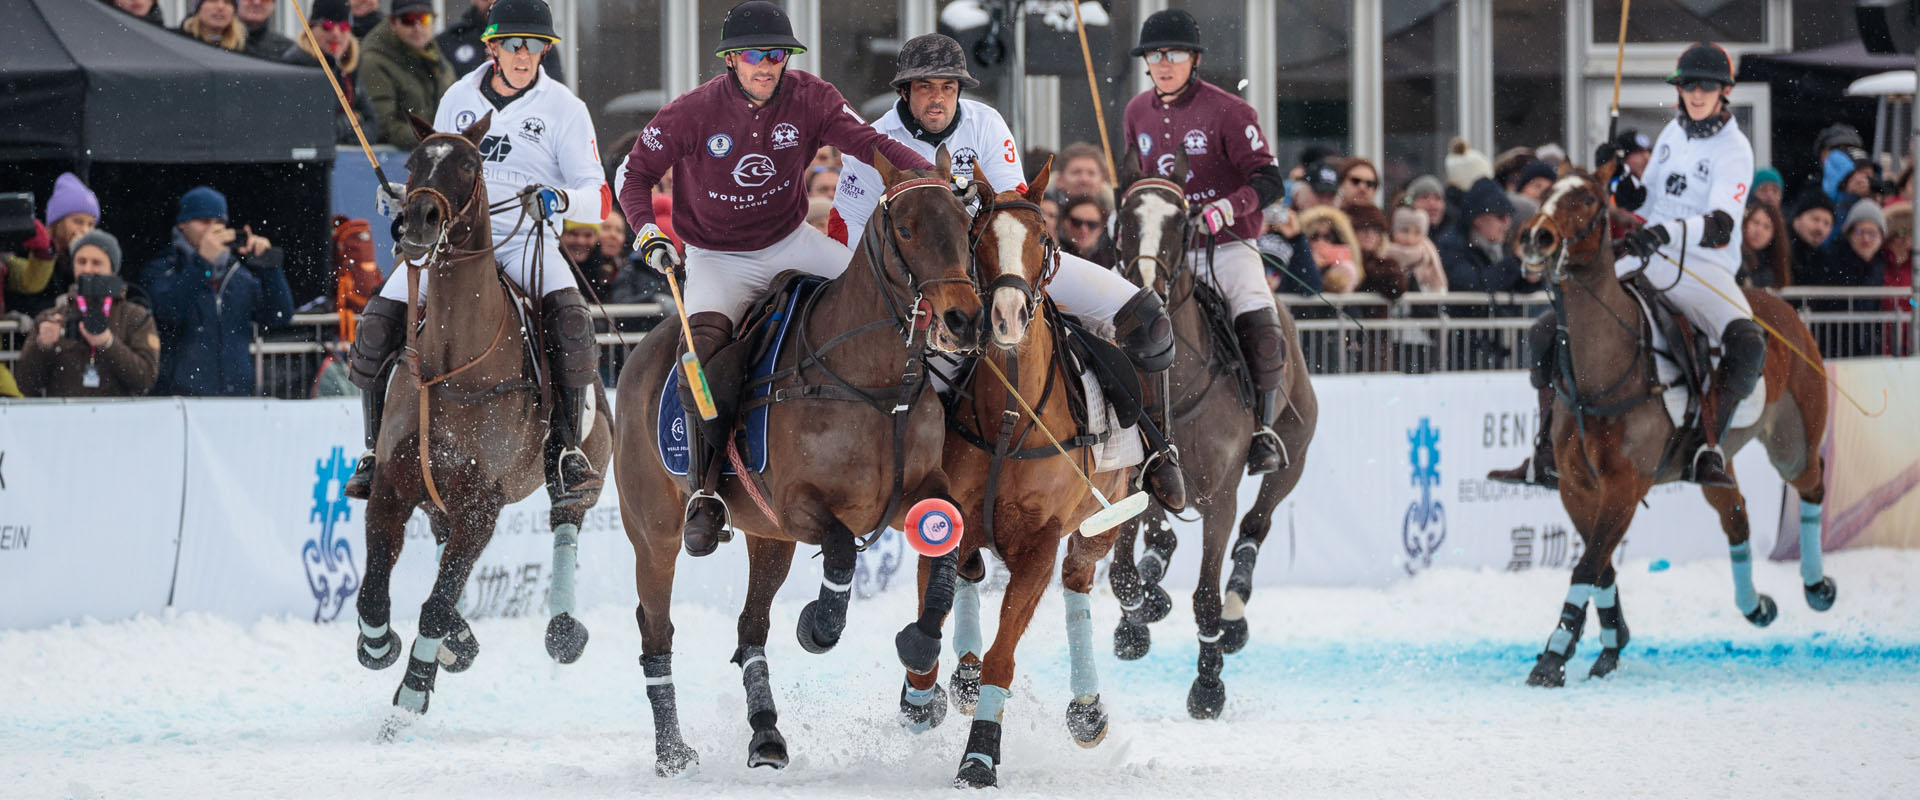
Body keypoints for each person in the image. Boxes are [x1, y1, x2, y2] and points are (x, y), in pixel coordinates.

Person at [616, 0, 936, 556]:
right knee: (707, 360)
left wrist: (927, 174)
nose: (768, 65)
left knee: (894, 306)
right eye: (756, 55)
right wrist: (649, 233)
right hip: (718, 257)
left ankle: (938, 443)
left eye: (778, 55)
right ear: (731, 59)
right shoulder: (691, 112)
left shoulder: (812, 96)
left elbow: (869, 144)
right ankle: (707, 491)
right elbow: (636, 175)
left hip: (793, 241)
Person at [349, 0, 610, 510]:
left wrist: (558, 200)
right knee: (377, 322)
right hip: (455, 244)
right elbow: (438, 171)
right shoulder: (458, 96)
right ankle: (372, 451)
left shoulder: (564, 108)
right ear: (492, 47)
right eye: (513, 44)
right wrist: (406, 194)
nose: (524, 54)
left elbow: (598, 198)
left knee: (572, 326)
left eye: (535, 45)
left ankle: (566, 453)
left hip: (525, 239)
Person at [1493, 42, 1759, 489]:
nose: (1696, 94)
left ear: (1724, 92)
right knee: (1544, 331)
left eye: (1707, 87)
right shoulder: (1673, 134)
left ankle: (1707, 447)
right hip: (1648, 254)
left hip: (1704, 265)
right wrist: (1616, 174)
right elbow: (1643, 199)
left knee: (1748, 342)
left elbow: (1720, 226)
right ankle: (1545, 452)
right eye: (1688, 86)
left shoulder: (1735, 150)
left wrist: (1664, 232)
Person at [1123, 9, 1291, 476]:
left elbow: (1270, 181)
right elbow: (1135, 184)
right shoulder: (1136, 112)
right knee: (1111, 323)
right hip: (1163, 250)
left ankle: (1262, 429)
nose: (1164, 62)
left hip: (1229, 244)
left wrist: (1226, 208)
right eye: (1155, 55)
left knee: (1259, 321)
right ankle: (1121, 428)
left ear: (1194, 59)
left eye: (1174, 53)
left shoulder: (1231, 111)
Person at [141, 186, 294, 396]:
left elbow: (279, 316)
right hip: (180, 400)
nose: (213, 230)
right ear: (183, 224)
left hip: (236, 398)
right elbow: (169, 312)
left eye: (219, 223)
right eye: (204, 222)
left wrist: (269, 265)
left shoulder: (238, 274)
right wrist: (202, 261)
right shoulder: (163, 267)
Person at [14, 231, 160, 398]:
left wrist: (108, 343)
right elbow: (24, 385)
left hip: (119, 419)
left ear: (112, 269)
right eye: (81, 262)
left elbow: (146, 380)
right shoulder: (51, 318)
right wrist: (41, 346)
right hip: (65, 419)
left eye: (96, 263)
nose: (87, 269)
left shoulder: (136, 317)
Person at [360, 0, 454, 149]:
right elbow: (383, 126)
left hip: (434, 153)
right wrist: (434, 139)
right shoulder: (374, 61)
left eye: (424, 19)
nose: (417, 27)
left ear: (434, 20)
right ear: (392, 22)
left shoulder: (437, 58)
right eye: (408, 20)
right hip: (398, 159)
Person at [281, 0, 378, 145]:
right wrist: (351, 122)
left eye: (344, 27)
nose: (336, 34)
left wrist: (357, 134)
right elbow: (310, 129)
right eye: (328, 26)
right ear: (311, 29)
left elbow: (373, 123)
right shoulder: (297, 66)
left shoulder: (348, 67)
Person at [7, 173, 101, 317]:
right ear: (58, 222)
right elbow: (21, 300)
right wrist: (53, 306)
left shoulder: (94, 256)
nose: (85, 230)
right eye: (78, 222)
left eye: (91, 224)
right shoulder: (32, 248)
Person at [1787, 190, 1835, 287]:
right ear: (1797, 219)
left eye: (1827, 223)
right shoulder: (1779, 249)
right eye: (1815, 219)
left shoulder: (1827, 260)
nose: (1820, 228)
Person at [1738, 202, 1791, 289]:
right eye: (1755, 222)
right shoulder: (1734, 252)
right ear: (1745, 223)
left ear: (1774, 235)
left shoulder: (1773, 263)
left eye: (1766, 227)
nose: (1759, 231)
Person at [1056, 194, 1114, 265]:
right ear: (1065, 222)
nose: (1084, 229)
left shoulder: (1112, 261)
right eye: (1077, 222)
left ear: (1101, 228)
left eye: (1092, 224)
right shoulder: (1052, 254)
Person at [179, 0, 247, 52]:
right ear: (199, 8)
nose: (220, 7)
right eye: (213, 0)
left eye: (227, 2)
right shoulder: (179, 44)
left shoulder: (246, 53)